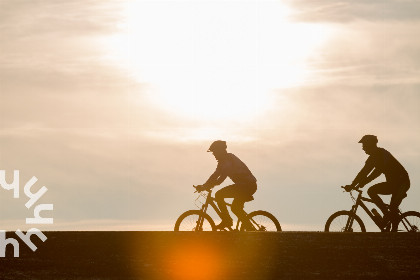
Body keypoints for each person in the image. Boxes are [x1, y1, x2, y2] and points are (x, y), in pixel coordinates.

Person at [345, 135, 410, 223]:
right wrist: (352, 185)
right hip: (393, 183)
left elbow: (378, 171)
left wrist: (364, 181)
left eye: (364, 145)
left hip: (402, 183)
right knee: (372, 191)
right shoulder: (372, 158)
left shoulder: (382, 154)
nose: (363, 148)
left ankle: (389, 218)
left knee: (392, 207)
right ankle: (387, 216)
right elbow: (363, 172)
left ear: (370, 145)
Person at [196, 140, 257, 230]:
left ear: (220, 151)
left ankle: (227, 220)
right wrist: (204, 185)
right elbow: (215, 175)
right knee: (236, 209)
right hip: (245, 186)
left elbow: (221, 178)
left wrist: (208, 186)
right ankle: (249, 228)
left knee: (219, 195)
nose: (214, 155)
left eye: (214, 152)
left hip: (246, 185)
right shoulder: (222, 162)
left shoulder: (228, 160)